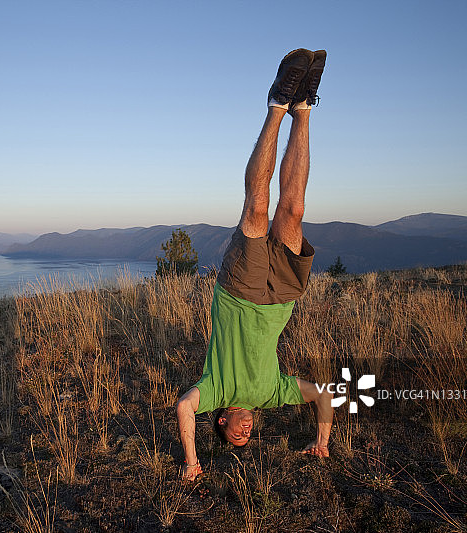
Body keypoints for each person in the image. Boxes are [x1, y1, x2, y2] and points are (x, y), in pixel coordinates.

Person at [176, 49, 333, 482]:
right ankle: (304, 108)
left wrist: (192, 461)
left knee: (258, 207)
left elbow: (184, 407)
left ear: (222, 420)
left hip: (239, 292)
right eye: (249, 436)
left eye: (236, 435)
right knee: (294, 210)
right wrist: (321, 442)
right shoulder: (272, 395)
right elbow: (322, 395)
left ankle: (277, 104)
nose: (246, 431)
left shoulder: (214, 391)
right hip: (282, 296)